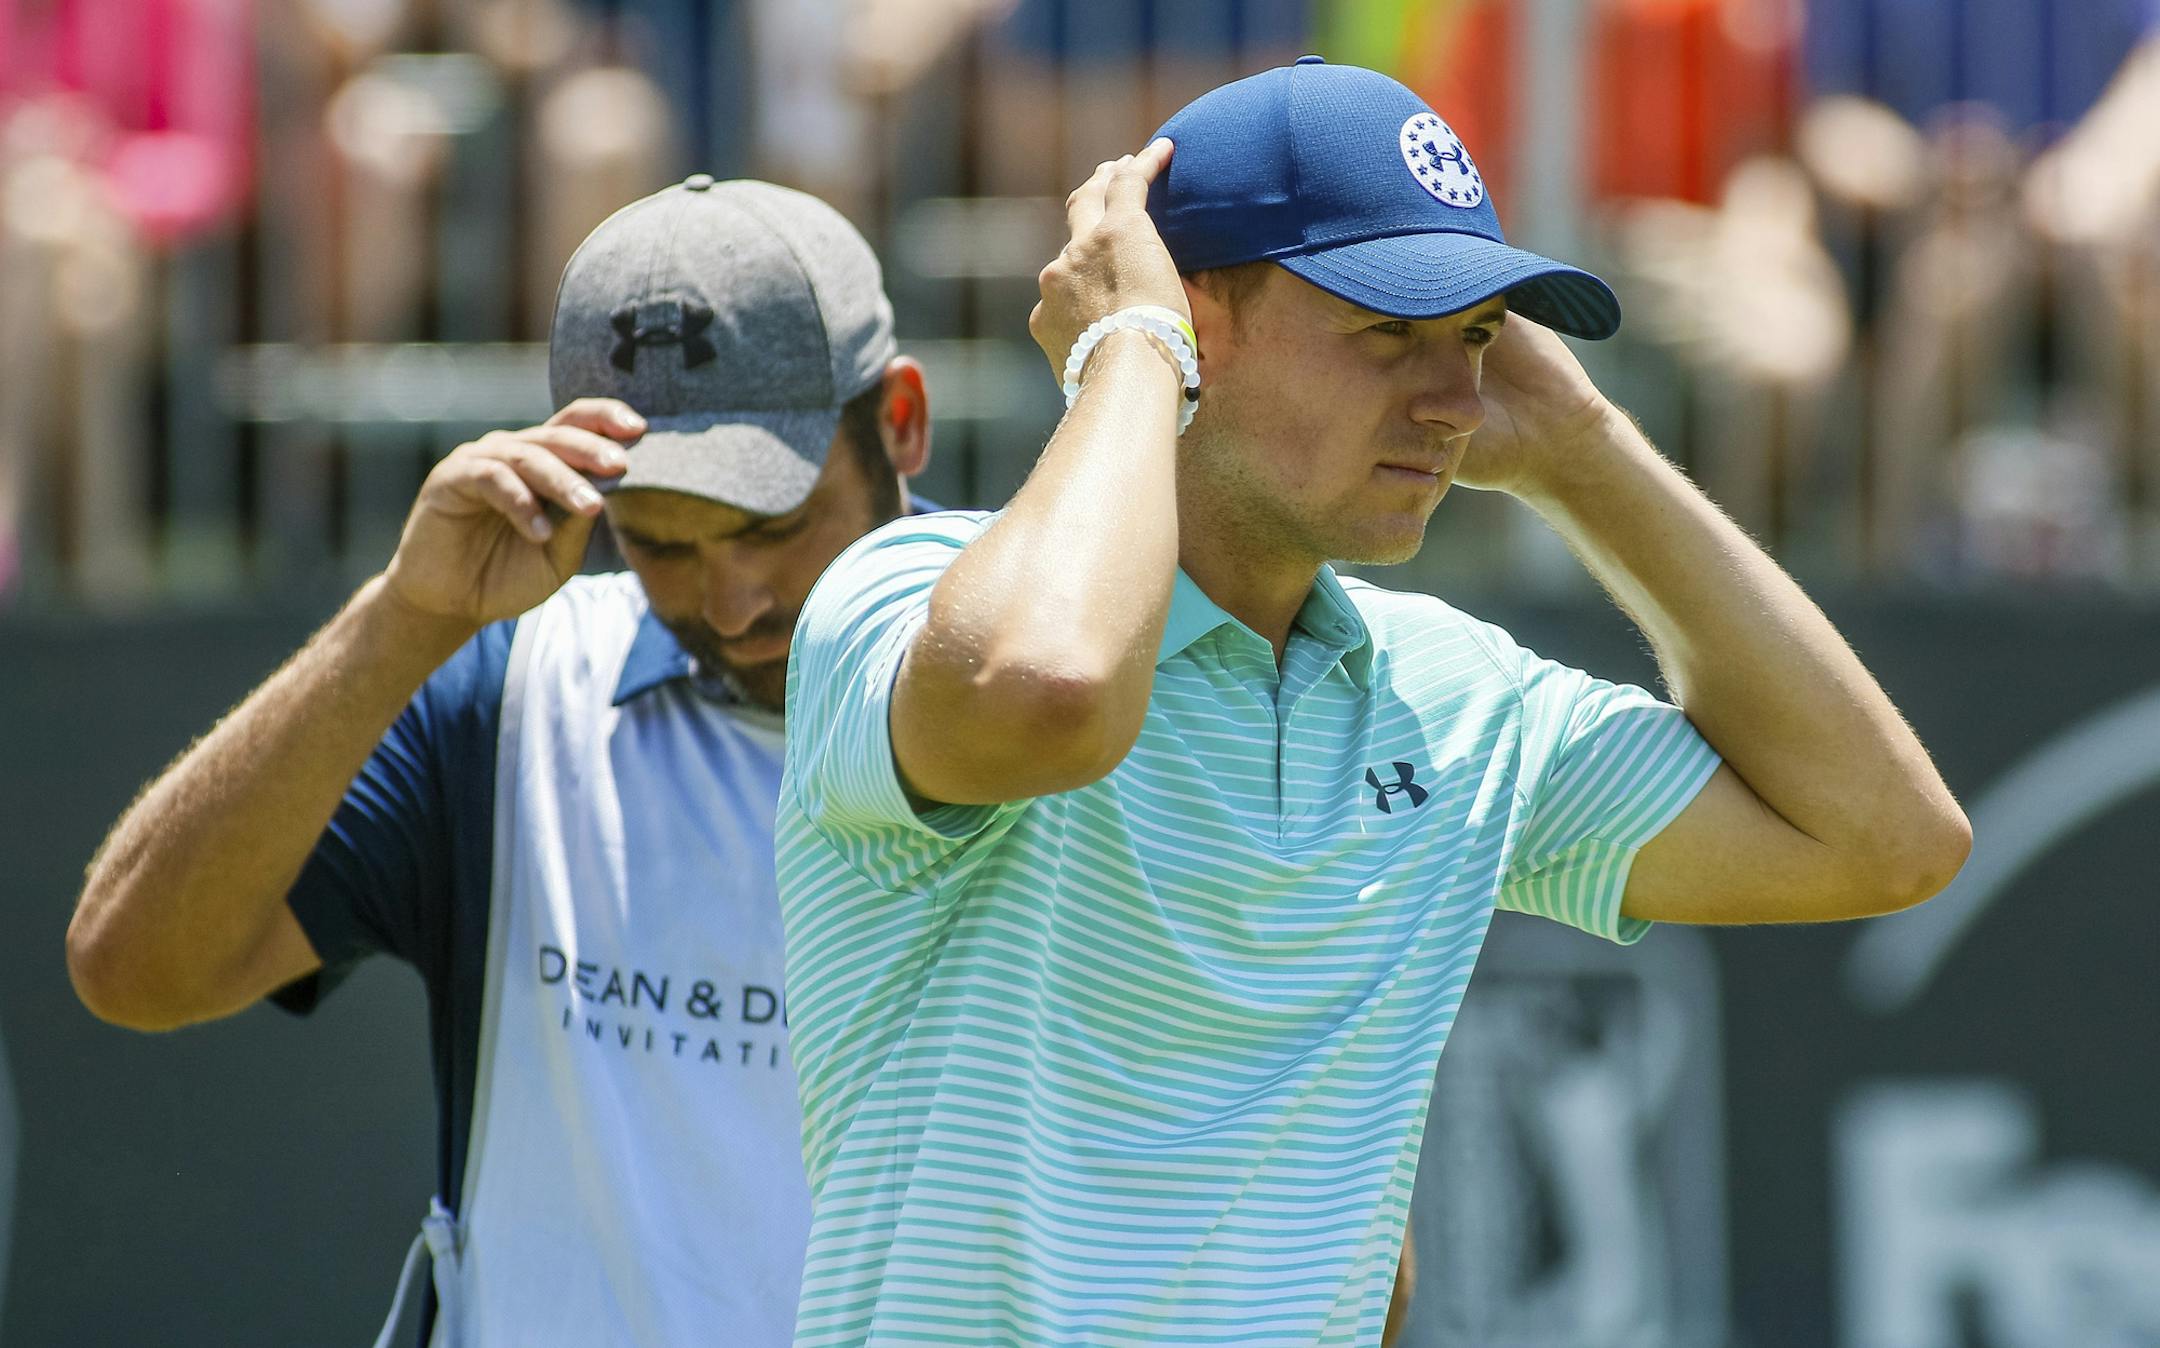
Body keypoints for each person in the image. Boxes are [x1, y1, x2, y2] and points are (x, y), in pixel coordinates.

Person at [775, 59, 1971, 1344]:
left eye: (1474, 339)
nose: (1455, 404)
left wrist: (1582, 452)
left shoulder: (1459, 695)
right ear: (1196, 319)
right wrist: (1129, 349)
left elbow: (1888, 837)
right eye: (1388, 335)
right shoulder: (903, 593)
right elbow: (1051, 690)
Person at [66, 176, 931, 1346]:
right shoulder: (506, 684)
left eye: (773, 528)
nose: (732, 604)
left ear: (902, 423)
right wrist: (404, 619)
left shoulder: (1052, 677)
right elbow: (133, 968)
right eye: (660, 545)